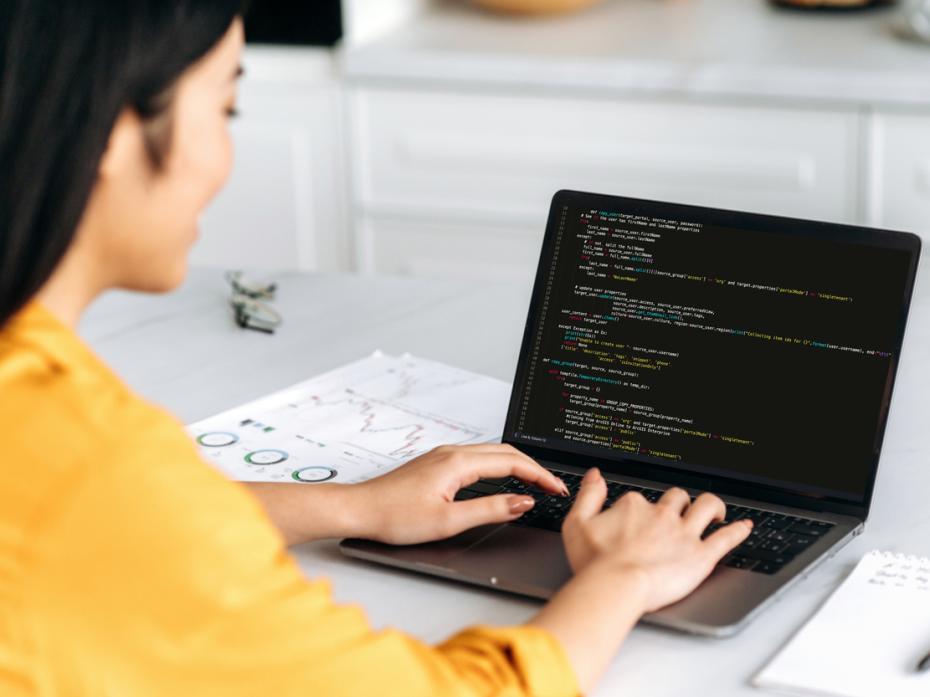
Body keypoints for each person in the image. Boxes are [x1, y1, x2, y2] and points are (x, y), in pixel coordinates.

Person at [0, 2, 753, 695]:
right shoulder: (94, 467)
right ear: (116, 131)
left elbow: (123, 530)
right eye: (225, 106)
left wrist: (351, 504)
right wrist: (622, 577)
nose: (230, 153)